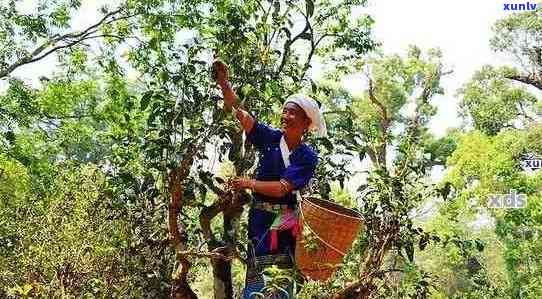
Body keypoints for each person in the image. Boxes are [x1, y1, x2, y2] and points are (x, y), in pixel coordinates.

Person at [212, 60, 326, 298]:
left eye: (293, 112)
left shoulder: (307, 156)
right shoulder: (271, 138)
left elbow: (283, 188)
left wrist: (248, 183)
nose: (286, 116)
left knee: (280, 273)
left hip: (286, 222)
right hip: (260, 218)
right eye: (285, 111)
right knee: (257, 272)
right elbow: (241, 115)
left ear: (306, 123)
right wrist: (224, 84)